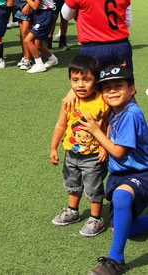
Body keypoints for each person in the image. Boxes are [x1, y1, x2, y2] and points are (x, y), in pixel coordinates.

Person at [78, 65, 148, 275]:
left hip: (139, 174)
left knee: (121, 196)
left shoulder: (130, 114)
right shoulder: (117, 112)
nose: (113, 91)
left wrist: (96, 132)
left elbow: (117, 152)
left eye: (119, 86)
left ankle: (116, 261)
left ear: (132, 89)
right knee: (123, 229)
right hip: (119, 175)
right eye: (107, 88)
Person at [50, 54, 109, 237]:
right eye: (75, 80)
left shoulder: (102, 101)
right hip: (71, 154)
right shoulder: (69, 101)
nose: (80, 85)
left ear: (96, 80)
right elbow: (61, 124)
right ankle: (72, 211)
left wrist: (104, 147)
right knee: (72, 183)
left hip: (93, 156)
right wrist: (53, 147)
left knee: (93, 187)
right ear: (70, 80)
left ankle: (96, 218)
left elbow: (108, 127)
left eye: (86, 79)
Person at [20, 0, 58, 73]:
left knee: (28, 40)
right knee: (38, 44)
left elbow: (35, 6)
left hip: (44, 16)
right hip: (41, 15)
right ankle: (53, 59)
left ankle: (39, 64)